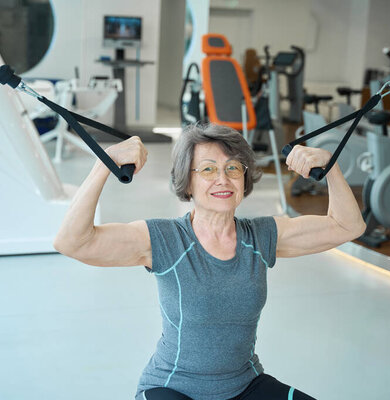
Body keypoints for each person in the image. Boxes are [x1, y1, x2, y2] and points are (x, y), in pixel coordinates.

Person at [53, 123, 366, 400]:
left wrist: (331, 167)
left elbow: (347, 226)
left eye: (233, 168)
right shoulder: (164, 239)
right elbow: (72, 241)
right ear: (187, 183)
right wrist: (102, 166)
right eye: (207, 169)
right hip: (171, 388)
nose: (223, 179)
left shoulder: (261, 236)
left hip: (245, 385)